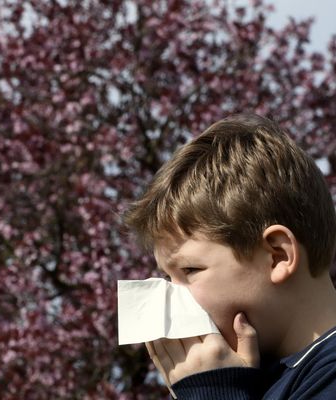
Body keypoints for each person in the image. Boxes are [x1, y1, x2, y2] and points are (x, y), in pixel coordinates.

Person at [122, 113, 336, 399]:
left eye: (190, 270)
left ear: (277, 256)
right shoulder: (254, 379)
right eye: (167, 277)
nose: (172, 297)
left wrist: (211, 392)